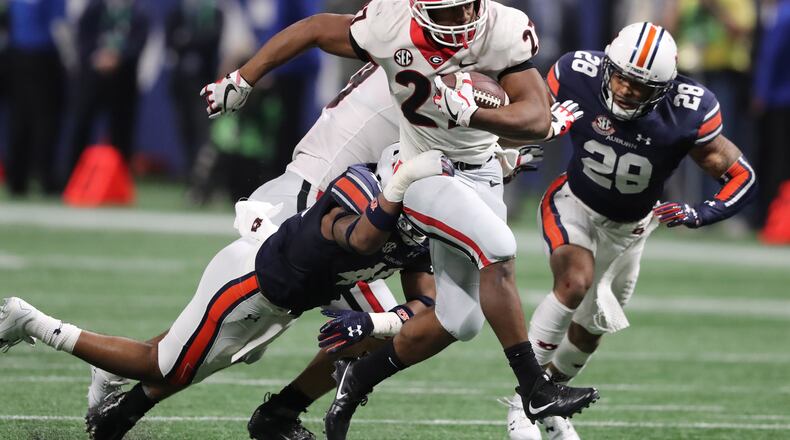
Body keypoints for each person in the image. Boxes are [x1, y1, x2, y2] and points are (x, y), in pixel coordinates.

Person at [201, 1, 599, 438]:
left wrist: (498, 131)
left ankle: (328, 392)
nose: (457, 23)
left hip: (410, 189)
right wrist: (242, 78)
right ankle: (535, 388)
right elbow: (318, 29)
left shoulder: (500, 30)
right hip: (345, 189)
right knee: (230, 338)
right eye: (444, 12)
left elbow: (511, 116)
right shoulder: (391, 33)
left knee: (457, 321)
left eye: (463, 9)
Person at [0, 147, 455, 439]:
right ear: (394, 189)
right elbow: (361, 240)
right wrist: (398, 188)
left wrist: (378, 321)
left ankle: (117, 397)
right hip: (248, 283)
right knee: (165, 366)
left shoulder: (411, 233)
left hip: (283, 301)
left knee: (201, 362)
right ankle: (31, 320)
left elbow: (426, 302)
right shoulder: (356, 195)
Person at [499, 22, 757, 440]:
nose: (624, 90)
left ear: (662, 88)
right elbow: (528, 114)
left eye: (639, 85)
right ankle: (524, 400)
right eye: (620, 77)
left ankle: (552, 404)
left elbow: (740, 175)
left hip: (632, 229)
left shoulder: (687, 110)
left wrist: (701, 213)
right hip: (575, 204)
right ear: (607, 66)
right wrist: (507, 152)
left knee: (592, 328)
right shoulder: (576, 73)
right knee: (574, 282)